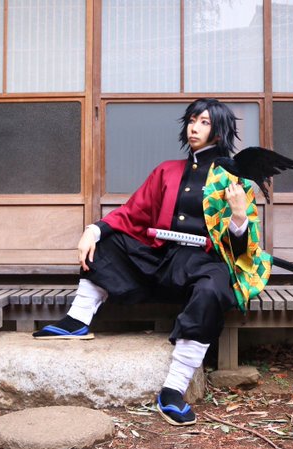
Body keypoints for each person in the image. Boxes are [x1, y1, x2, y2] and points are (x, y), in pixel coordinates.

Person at [33, 98, 271, 426]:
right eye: (192, 120)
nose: (194, 128)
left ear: (218, 132)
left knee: (213, 290)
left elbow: (243, 248)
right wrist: (94, 230)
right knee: (109, 243)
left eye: (204, 122)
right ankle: (77, 320)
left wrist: (240, 215)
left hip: (205, 262)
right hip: (163, 256)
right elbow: (133, 213)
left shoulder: (233, 179)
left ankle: (173, 390)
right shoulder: (167, 170)